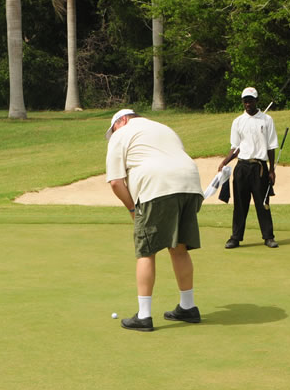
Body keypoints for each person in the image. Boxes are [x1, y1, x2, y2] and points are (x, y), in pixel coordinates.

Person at [105, 109, 204, 332]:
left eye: (113, 129)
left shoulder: (122, 134)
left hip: (156, 187)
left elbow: (115, 182)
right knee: (179, 247)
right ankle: (188, 307)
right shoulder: (164, 128)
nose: (113, 134)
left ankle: (144, 316)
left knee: (146, 251)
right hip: (190, 185)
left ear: (123, 120)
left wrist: (133, 209)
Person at [218, 87, 279, 249]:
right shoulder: (238, 121)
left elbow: (271, 147)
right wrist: (225, 161)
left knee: (263, 203)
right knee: (240, 204)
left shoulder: (267, 120)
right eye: (245, 100)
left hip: (259, 167)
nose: (247, 103)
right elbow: (235, 147)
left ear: (256, 101)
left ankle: (268, 237)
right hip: (242, 167)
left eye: (250, 100)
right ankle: (235, 237)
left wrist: (271, 170)